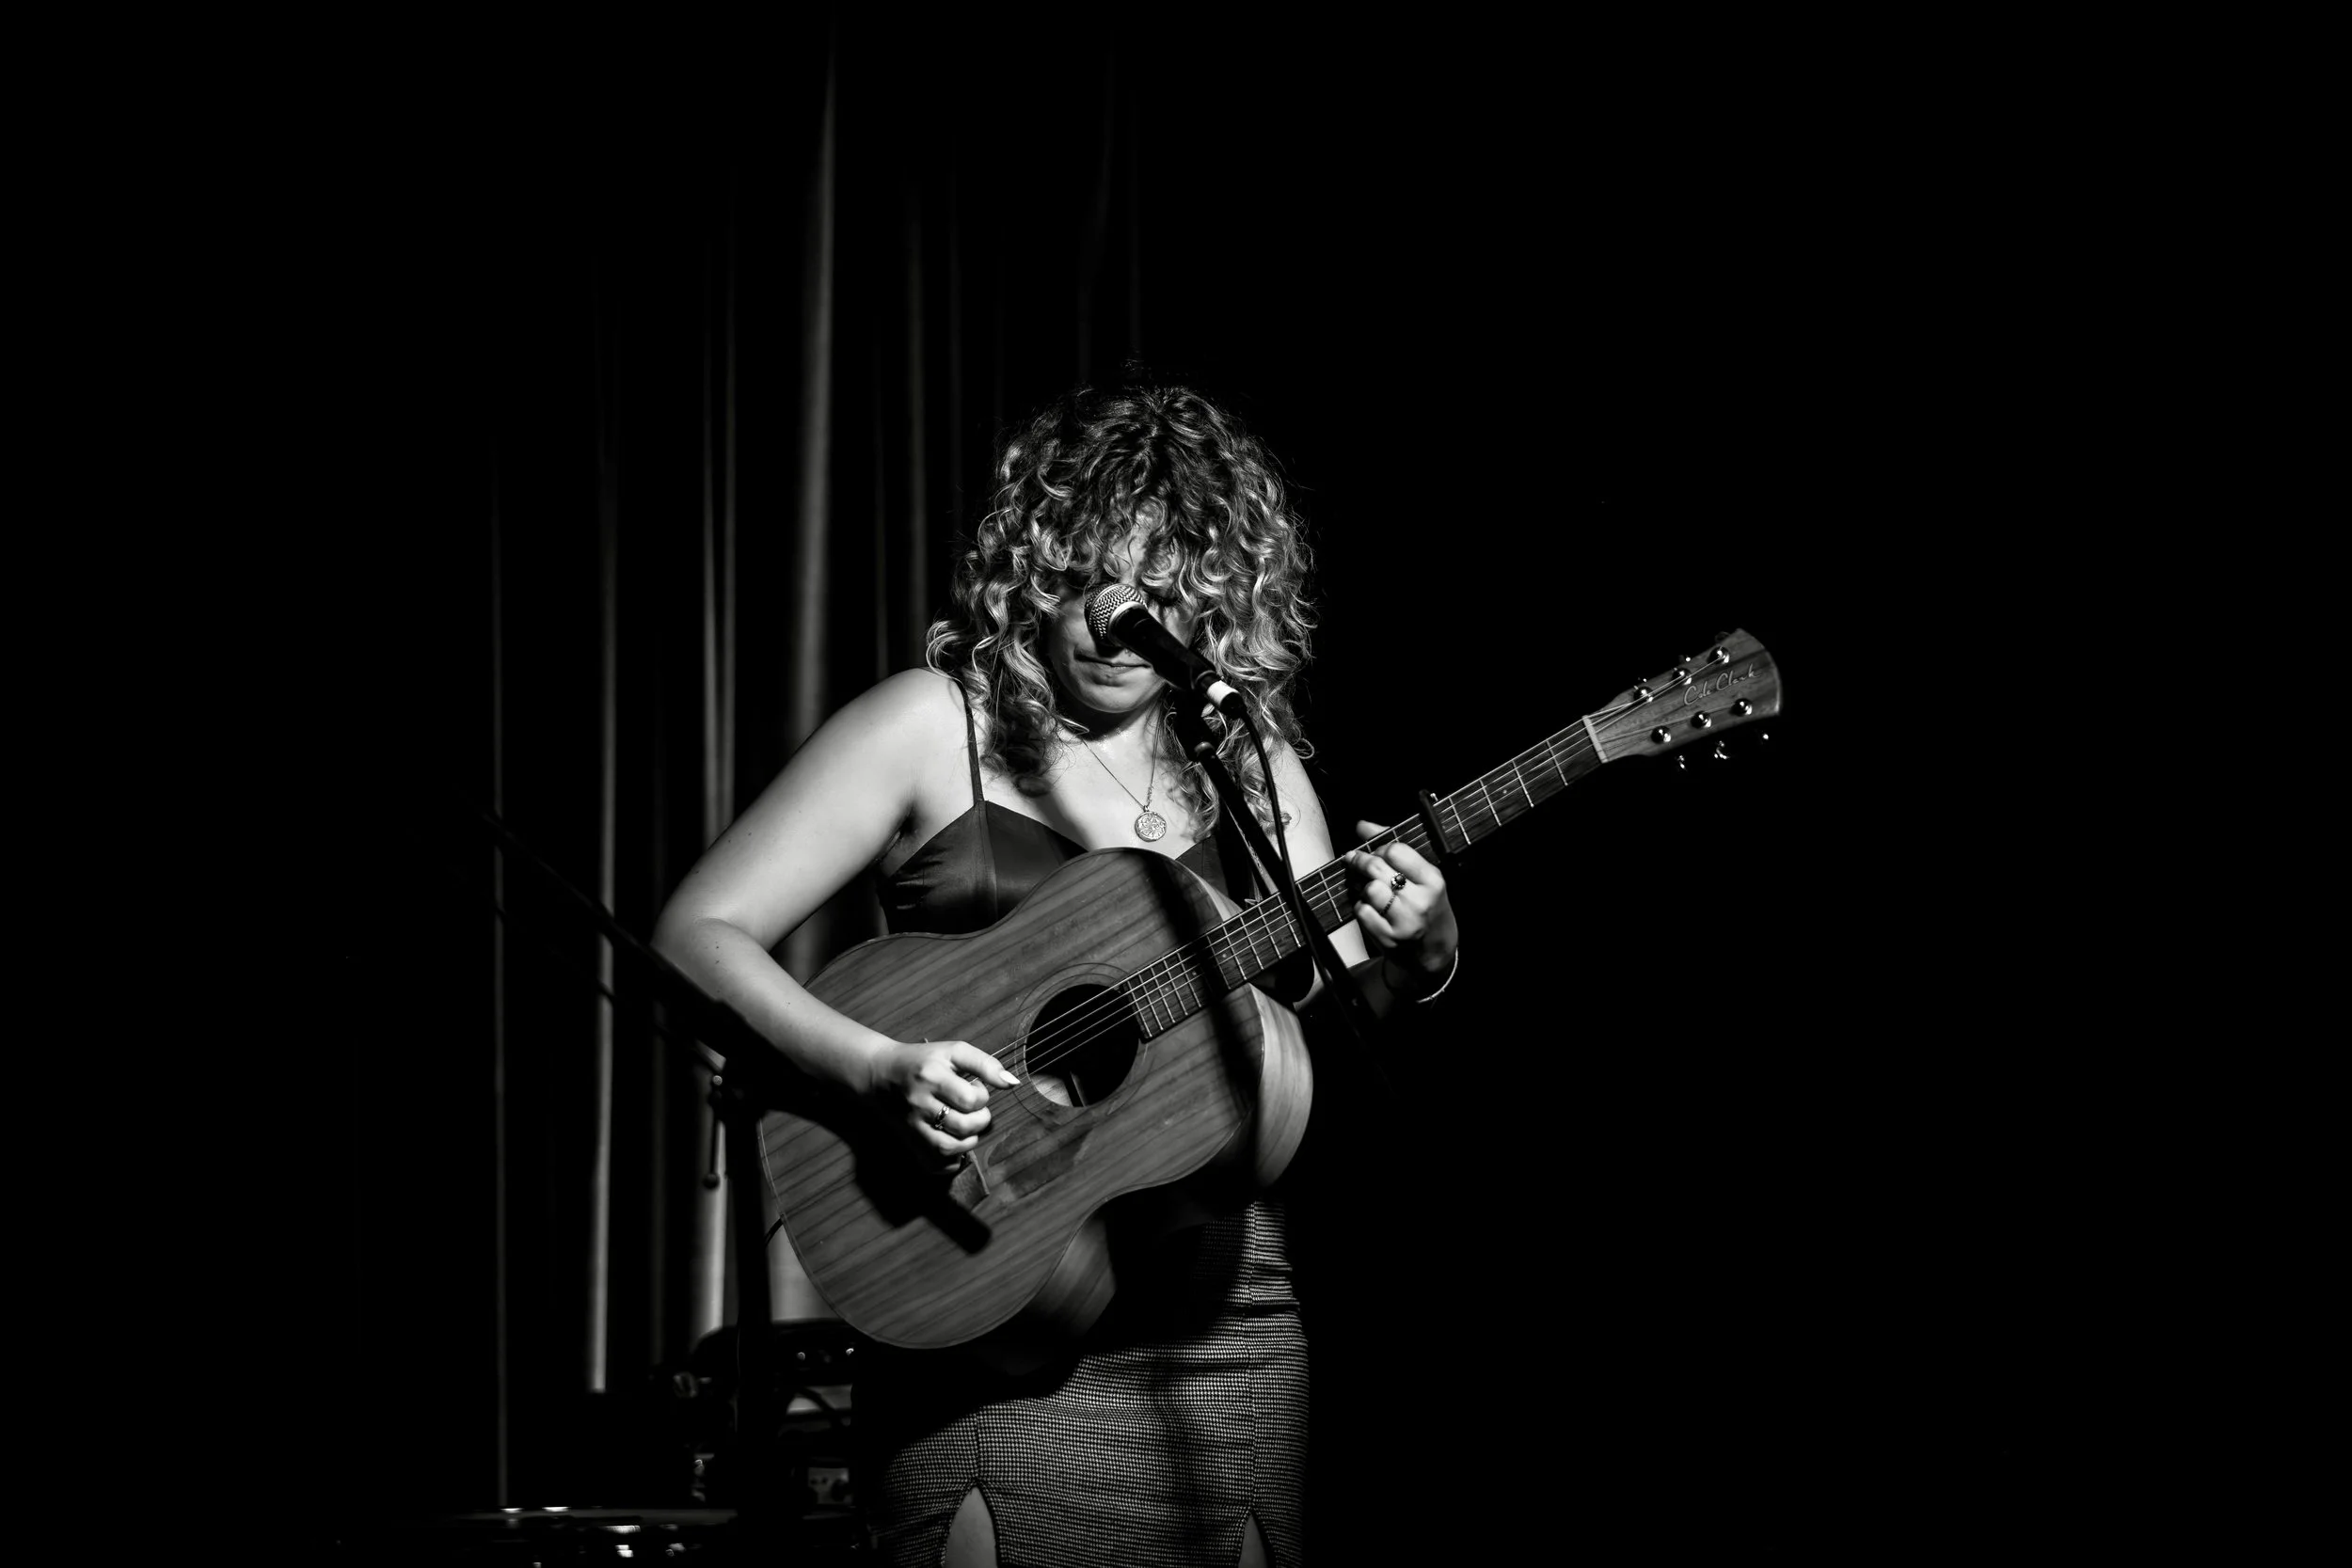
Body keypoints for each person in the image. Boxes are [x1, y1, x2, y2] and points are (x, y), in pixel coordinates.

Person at [653, 382, 1460, 1568]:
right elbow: (697, 930)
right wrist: (874, 1066)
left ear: (1217, 602)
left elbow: (1323, 1031)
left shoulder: (1247, 762)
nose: (1108, 619)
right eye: (1084, 575)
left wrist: (1422, 954)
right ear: (1031, 565)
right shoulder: (934, 727)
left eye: (1157, 592)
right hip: (983, 1304)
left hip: (1223, 1319)